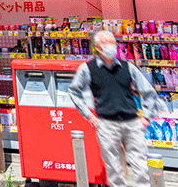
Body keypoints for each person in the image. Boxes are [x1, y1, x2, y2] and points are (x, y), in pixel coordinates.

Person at [69, 30, 165, 187]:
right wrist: (89, 116)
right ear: (98, 47)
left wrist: (146, 116)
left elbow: (148, 91)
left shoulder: (128, 67)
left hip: (132, 122)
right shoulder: (88, 69)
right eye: (106, 43)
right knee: (114, 169)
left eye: (113, 42)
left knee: (140, 166)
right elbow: (74, 91)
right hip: (106, 124)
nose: (110, 46)